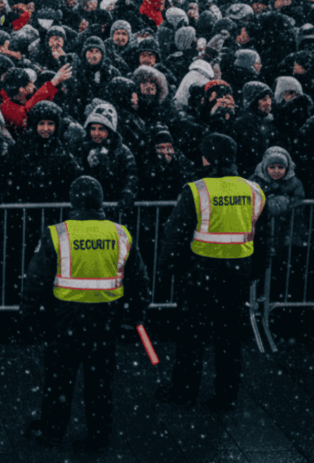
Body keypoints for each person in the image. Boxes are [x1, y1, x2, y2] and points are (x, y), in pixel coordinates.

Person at [22, 176, 151, 451]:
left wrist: (30, 317)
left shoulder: (57, 234)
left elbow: (36, 280)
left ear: (73, 201)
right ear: (101, 201)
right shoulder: (120, 234)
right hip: (106, 319)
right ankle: (99, 435)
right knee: (100, 381)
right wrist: (136, 313)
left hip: (66, 318)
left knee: (59, 379)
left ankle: (52, 431)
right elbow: (138, 279)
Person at [155, 133, 269, 410]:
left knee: (191, 337)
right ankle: (226, 395)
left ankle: (184, 391)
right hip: (237, 275)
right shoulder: (254, 191)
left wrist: (167, 269)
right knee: (229, 338)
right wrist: (254, 270)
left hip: (199, 274)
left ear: (207, 157)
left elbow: (175, 234)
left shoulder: (197, 190)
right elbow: (264, 239)